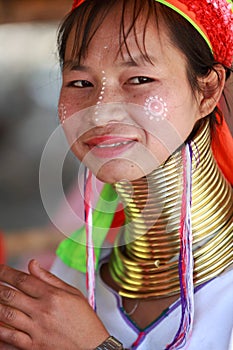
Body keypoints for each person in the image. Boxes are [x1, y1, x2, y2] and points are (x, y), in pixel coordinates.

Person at [0, 0, 232, 349]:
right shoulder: (68, 283)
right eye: (80, 82)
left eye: (139, 79)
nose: (99, 113)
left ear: (208, 90)